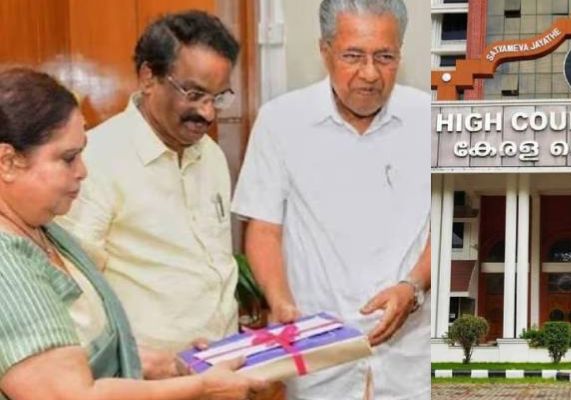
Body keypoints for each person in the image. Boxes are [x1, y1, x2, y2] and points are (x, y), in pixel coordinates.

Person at [0, 67, 266, 400]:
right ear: (7, 161)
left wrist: (169, 365)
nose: (83, 171)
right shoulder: (6, 262)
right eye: (68, 159)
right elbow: (68, 396)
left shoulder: (42, 230)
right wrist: (202, 387)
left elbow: (85, 348)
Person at [231, 0, 430, 398]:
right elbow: (264, 229)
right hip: (319, 358)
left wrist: (413, 286)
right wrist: (281, 304)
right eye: (353, 56)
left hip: (411, 358)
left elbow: (451, 221)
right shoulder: (280, 121)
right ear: (324, 51)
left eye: (385, 57)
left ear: (400, 54)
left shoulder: (432, 118)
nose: (370, 73)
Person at [58, 10, 241, 378]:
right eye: (194, 94)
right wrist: (133, 361)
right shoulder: (95, 161)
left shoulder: (212, 155)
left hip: (221, 372)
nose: (208, 113)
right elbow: (72, 292)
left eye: (218, 97)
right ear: (148, 78)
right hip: (148, 381)